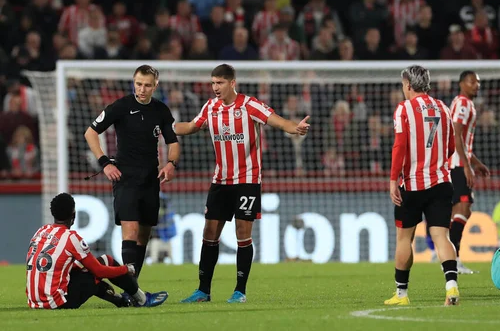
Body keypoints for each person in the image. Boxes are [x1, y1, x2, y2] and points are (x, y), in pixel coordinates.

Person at [176, 64, 310, 303]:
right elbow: (190, 127)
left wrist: (295, 128)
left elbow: (277, 121)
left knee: (242, 233)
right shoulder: (210, 107)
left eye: (220, 83)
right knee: (209, 233)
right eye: (213, 83)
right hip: (220, 179)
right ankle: (203, 291)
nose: (216, 88)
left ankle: (240, 291)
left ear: (232, 82)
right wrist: (166, 127)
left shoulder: (249, 105)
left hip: (247, 179)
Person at [84, 65, 180, 280]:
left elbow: (173, 142)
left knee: (144, 235)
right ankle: (132, 289)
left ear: (155, 86)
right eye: (138, 84)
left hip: (150, 177)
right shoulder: (121, 106)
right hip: (124, 176)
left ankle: (133, 285)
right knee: (131, 231)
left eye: (147, 85)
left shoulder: (161, 111)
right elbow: (90, 132)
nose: (142, 89)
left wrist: (171, 163)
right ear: (133, 83)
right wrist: (105, 162)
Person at [387, 65, 459, 306]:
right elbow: (451, 147)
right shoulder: (444, 108)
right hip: (441, 182)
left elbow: (399, 146)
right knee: (441, 236)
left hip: (413, 185)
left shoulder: (404, 109)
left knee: (404, 239)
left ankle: (401, 294)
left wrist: (392, 180)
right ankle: (451, 288)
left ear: (408, 84)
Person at [26, 193, 168, 309]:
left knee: (85, 271)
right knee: (104, 262)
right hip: (57, 303)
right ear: (73, 215)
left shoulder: (41, 231)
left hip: (34, 301)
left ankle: (121, 301)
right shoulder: (71, 238)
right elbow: (100, 271)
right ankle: (142, 299)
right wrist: (126, 269)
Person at [448, 71, 490, 274]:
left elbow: (462, 142)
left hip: (456, 162)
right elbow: (455, 135)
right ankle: (452, 260)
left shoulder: (463, 103)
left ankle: (451, 257)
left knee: (459, 211)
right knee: (463, 209)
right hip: (455, 165)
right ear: (461, 83)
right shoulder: (463, 104)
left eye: (478, 82)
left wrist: (476, 162)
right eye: (472, 81)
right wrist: (466, 166)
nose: (477, 85)